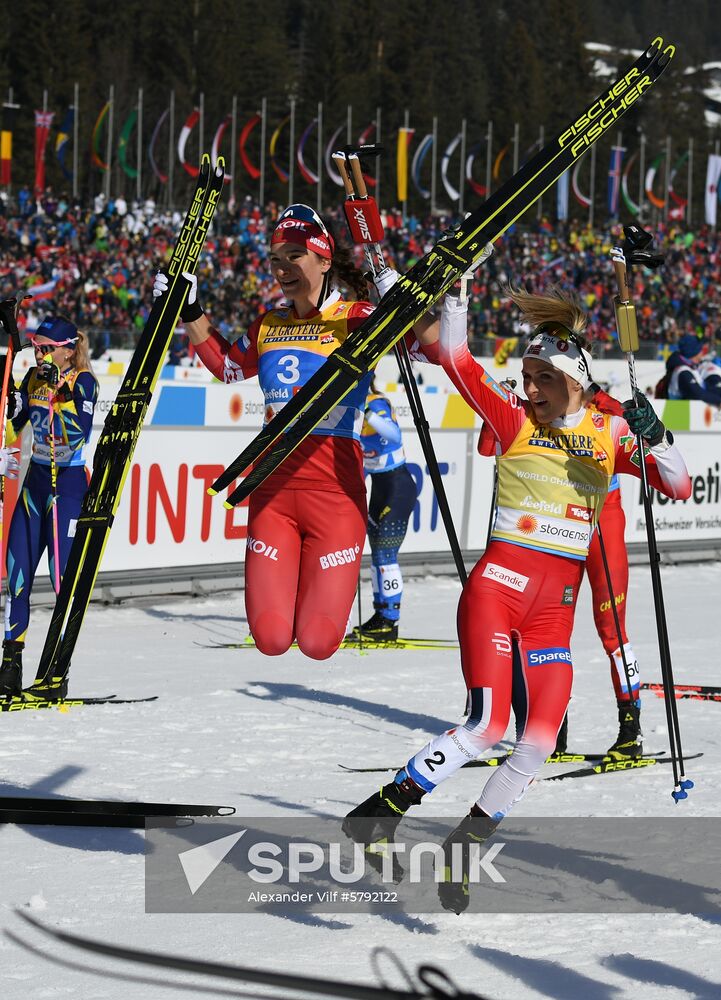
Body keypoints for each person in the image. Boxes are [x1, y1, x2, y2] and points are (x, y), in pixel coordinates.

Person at [344, 283, 692, 913]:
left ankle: (466, 842)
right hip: (498, 594)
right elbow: (455, 359)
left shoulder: (611, 432)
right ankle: (382, 809)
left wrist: (658, 434)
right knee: (487, 725)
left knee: (536, 742)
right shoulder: (512, 420)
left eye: (541, 379)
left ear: (574, 379)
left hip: (552, 615)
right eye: (525, 376)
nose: (528, 389)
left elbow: (680, 484)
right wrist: (458, 299)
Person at [154, 204, 437, 660]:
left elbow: (437, 350)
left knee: (318, 642)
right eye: (275, 258)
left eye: (294, 255)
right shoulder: (269, 324)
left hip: (336, 497)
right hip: (274, 495)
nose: (282, 268)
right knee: (269, 638)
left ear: (324, 260)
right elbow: (228, 368)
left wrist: (403, 299)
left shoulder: (359, 318)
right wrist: (189, 310)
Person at [478, 391, 645, 760]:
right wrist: (493, 411)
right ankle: (551, 732)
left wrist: (647, 426)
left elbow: (643, 451)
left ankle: (631, 730)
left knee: (613, 630)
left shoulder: (605, 405)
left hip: (601, 522)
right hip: (553, 528)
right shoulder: (532, 406)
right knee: (546, 632)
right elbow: (488, 448)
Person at [0, 315, 98, 699]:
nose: (38, 354)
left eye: (46, 349)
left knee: (63, 583)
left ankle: (58, 668)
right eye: (36, 347)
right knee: (17, 574)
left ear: (67, 350)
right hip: (36, 482)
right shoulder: (33, 377)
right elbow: (17, 422)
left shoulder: (83, 381)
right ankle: (11, 663)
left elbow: (80, 435)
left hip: (68, 485)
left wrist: (64, 394)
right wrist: (11, 409)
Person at [354, 377, 418, 642]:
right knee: (378, 558)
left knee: (386, 555)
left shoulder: (375, 402)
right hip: (380, 489)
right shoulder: (351, 411)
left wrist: (366, 412)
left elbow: (394, 434)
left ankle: (390, 620)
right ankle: (380, 616)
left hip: (397, 486)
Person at [661, 333, 721, 405]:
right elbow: (698, 395)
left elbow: (706, 388)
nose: (702, 354)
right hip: (678, 415)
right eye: (700, 351)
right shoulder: (683, 372)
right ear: (694, 353)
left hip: (689, 414)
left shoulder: (690, 369)